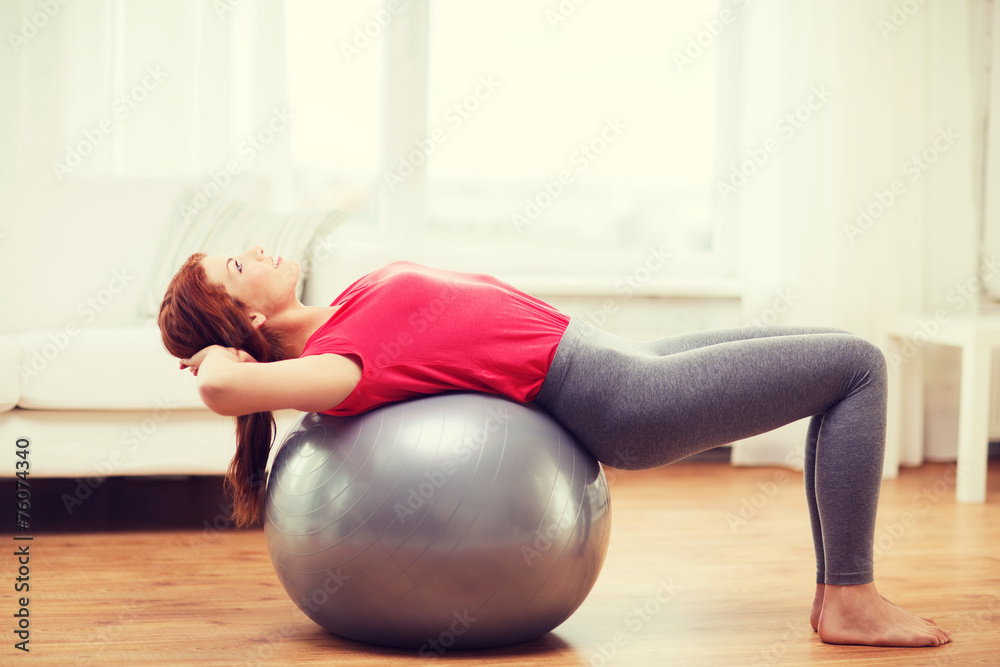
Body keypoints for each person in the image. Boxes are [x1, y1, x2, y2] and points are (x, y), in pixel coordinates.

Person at [157, 244, 952, 649]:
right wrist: (216, 357)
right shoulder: (336, 366)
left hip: (620, 356)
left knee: (840, 349)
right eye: (237, 264)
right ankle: (849, 596)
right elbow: (222, 390)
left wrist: (227, 346)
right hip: (622, 397)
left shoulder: (344, 310)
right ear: (247, 323)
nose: (258, 249)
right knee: (860, 367)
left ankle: (838, 593)